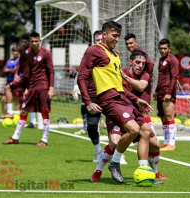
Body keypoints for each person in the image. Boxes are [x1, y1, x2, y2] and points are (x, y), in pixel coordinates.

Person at [77, 21, 152, 183]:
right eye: (114, 35)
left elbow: (120, 86)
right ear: (104, 35)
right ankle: (115, 163)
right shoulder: (94, 50)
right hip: (109, 100)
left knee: (145, 131)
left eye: (118, 36)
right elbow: (81, 76)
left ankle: (144, 169)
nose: (117, 39)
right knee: (132, 130)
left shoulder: (116, 55)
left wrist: (136, 99)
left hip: (123, 99)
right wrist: (88, 101)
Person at [2, 32, 54, 146]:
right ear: (30, 42)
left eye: (36, 41)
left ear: (40, 41)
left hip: (43, 86)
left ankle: (44, 140)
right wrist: (27, 87)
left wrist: (51, 88)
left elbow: (51, 71)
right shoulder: (28, 53)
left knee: (44, 112)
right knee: (24, 110)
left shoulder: (46, 53)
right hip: (32, 86)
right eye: (32, 41)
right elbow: (29, 72)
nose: (34, 43)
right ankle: (15, 138)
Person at [73, 30, 104, 162]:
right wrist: (76, 86)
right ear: (94, 41)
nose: (100, 42)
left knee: (117, 124)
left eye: (102, 39)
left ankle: (118, 154)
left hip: (110, 94)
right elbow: (81, 73)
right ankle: (98, 150)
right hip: (93, 94)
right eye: (98, 40)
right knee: (91, 126)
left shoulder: (113, 54)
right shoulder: (90, 54)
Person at [124, 33, 156, 134]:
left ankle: (151, 135)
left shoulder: (141, 53)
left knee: (143, 110)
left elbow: (150, 63)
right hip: (136, 82)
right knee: (136, 109)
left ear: (136, 42)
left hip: (143, 85)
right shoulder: (135, 53)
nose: (129, 46)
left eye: (131, 43)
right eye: (127, 44)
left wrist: (145, 76)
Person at [3, 33, 37, 128]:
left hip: (32, 78)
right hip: (23, 78)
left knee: (29, 98)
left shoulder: (34, 51)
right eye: (22, 42)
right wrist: (16, 73)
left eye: (25, 42)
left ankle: (33, 121)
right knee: (8, 88)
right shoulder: (22, 50)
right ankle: (10, 112)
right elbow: (20, 64)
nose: (23, 44)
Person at [153, 38, 179, 151]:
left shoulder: (173, 60)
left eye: (165, 48)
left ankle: (172, 144)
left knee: (169, 116)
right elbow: (160, 77)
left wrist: (169, 92)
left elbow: (174, 77)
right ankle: (166, 142)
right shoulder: (160, 60)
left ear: (169, 48)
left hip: (168, 92)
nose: (163, 50)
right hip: (160, 91)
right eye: (161, 48)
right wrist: (156, 90)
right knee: (162, 116)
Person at [0, 46, 21, 118]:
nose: (15, 52)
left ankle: (16, 116)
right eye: (13, 51)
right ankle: (4, 115)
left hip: (15, 81)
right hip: (8, 81)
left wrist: (8, 70)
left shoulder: (20, 60)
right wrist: (8, 71)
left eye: (16, 51)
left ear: (18, 52)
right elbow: (3, 70)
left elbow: (16, 70)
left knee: (16, 99)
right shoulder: (9, 61)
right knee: (3, 99)